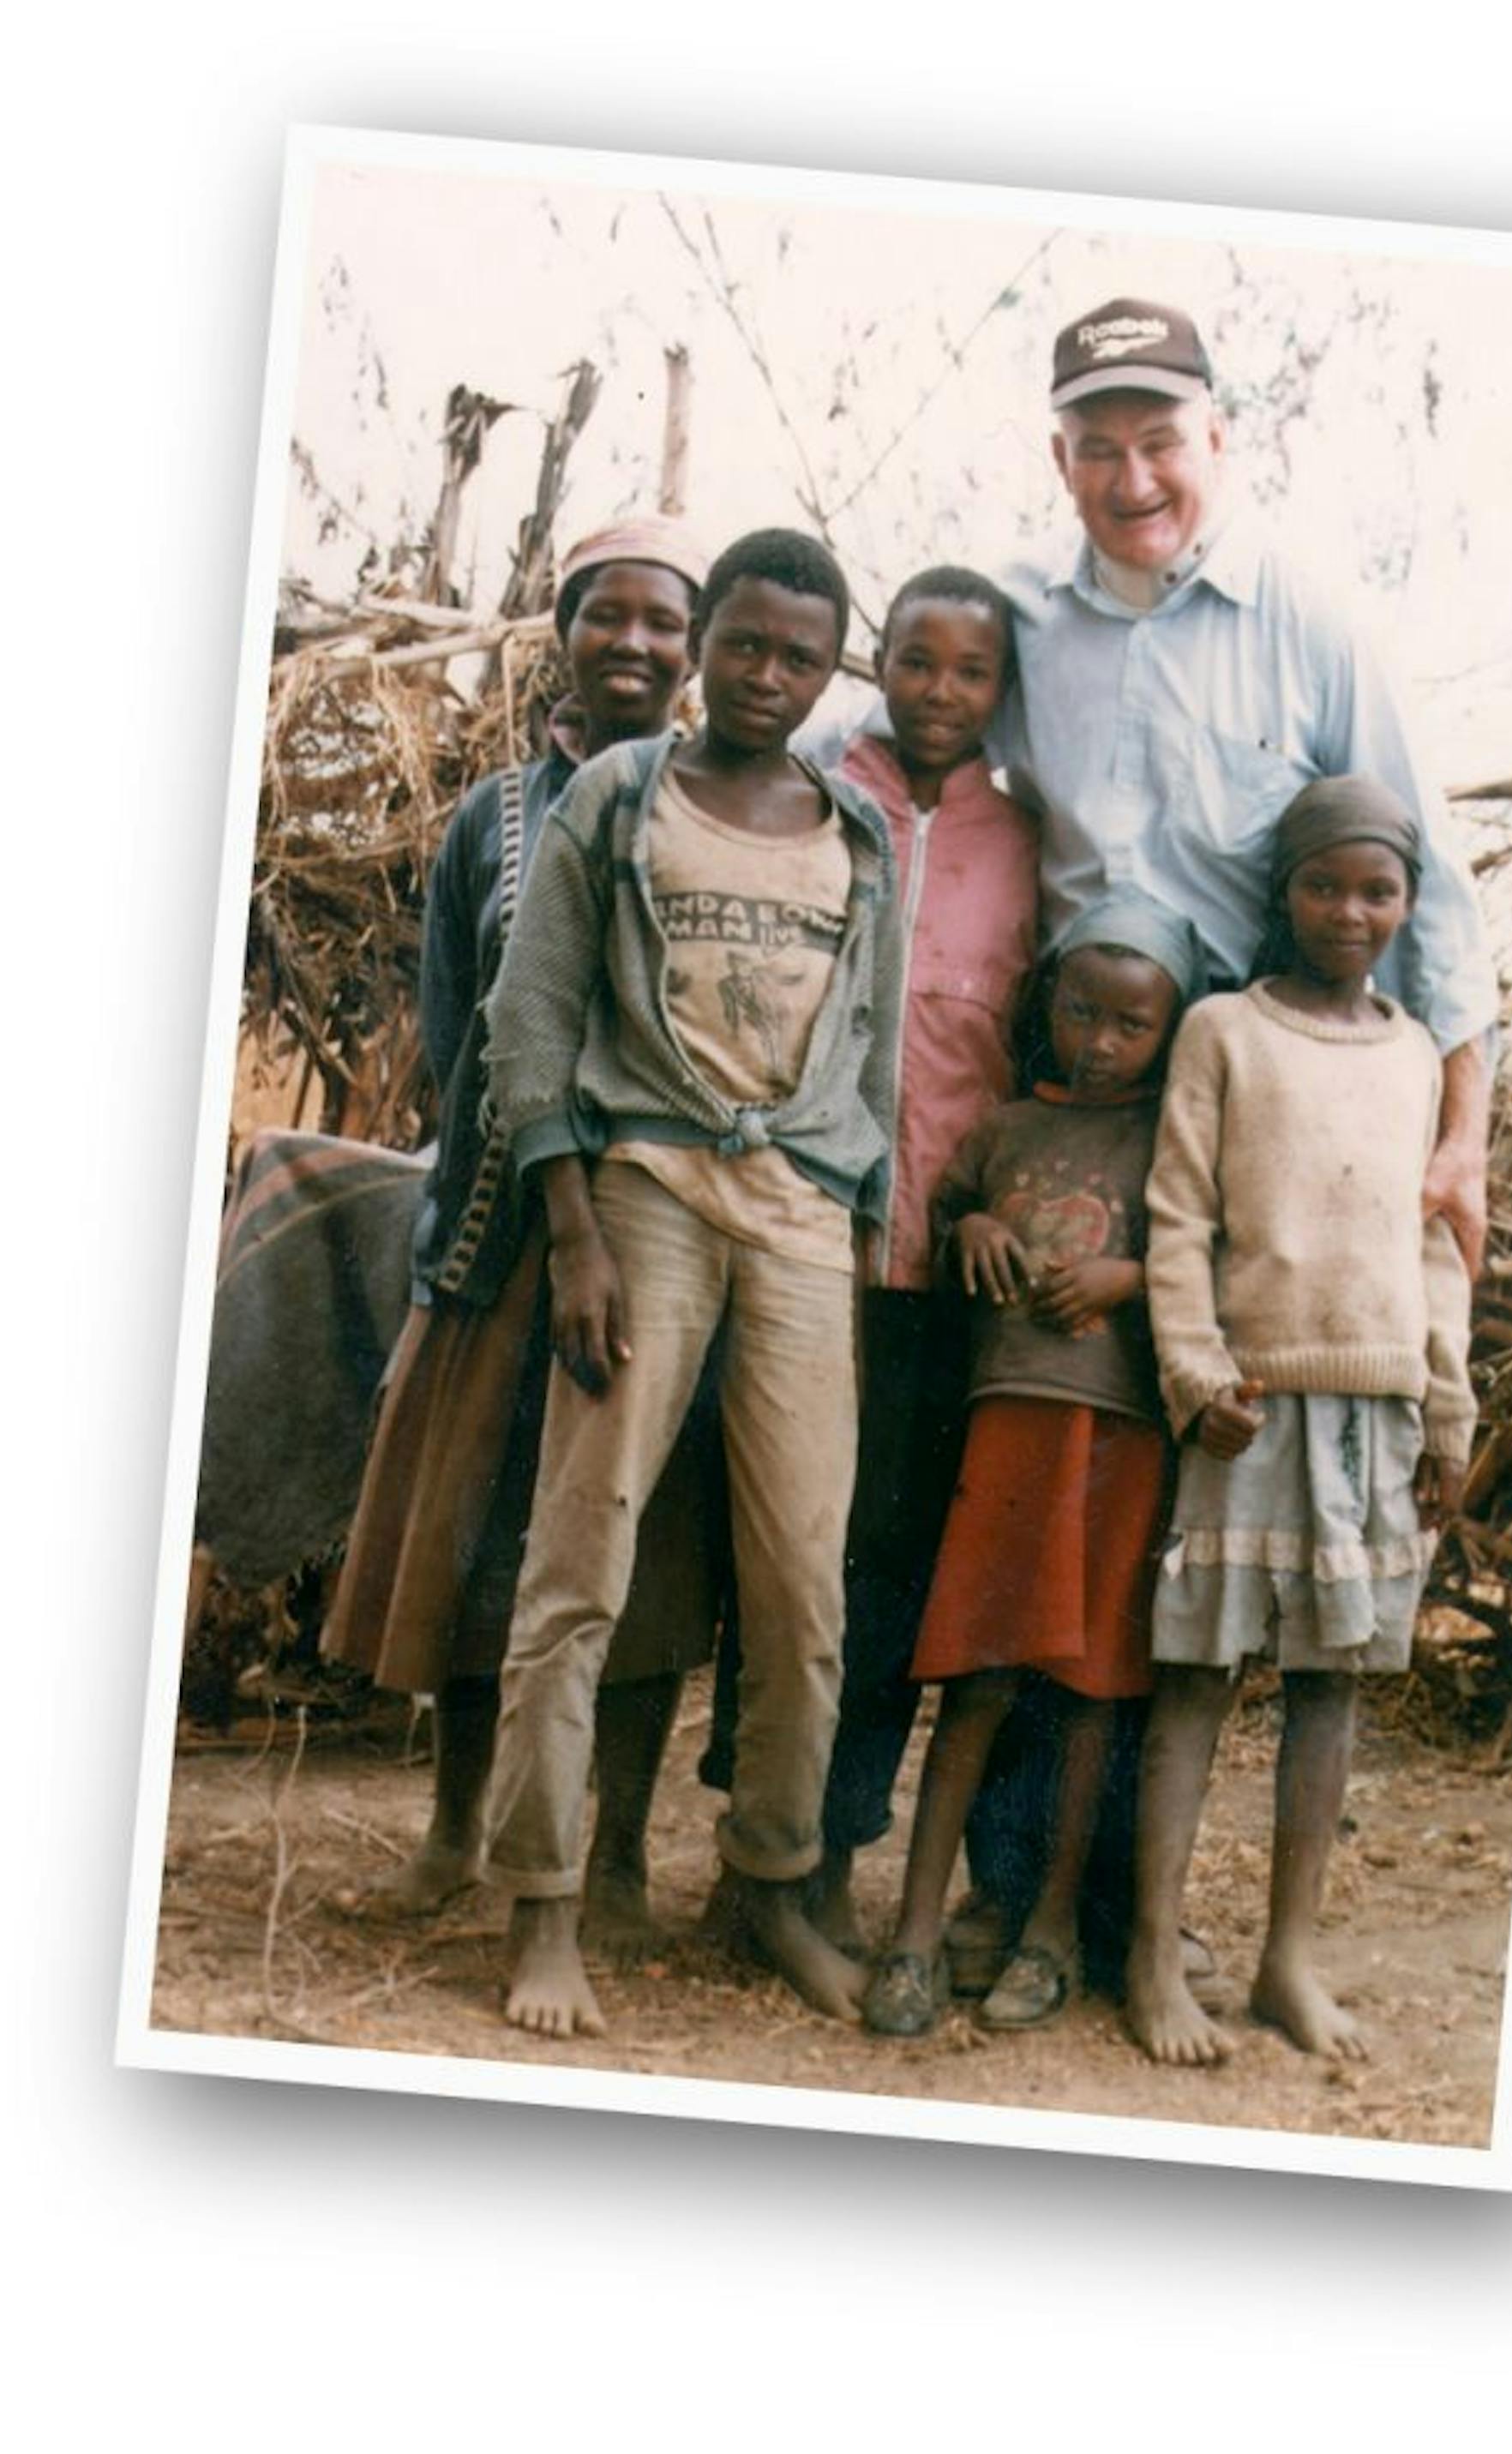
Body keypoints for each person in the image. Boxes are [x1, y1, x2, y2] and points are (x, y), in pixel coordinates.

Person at [478, 527, 900, 2035]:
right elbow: (528, 1024)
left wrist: (857, 1230)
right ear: (706, 638)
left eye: (802, 656)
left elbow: (874, 1062)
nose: (768, 677)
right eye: (746, 644)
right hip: (645, 1188)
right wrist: (574, 1225)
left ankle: (772, 1880)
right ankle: (540, 1902)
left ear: (829, 668)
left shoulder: (858, 835)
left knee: (801, 1571)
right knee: (579, 1553)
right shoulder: (619, 793)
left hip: (795, 1211)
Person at [321, 519, 725, 1945]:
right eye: (607, 616)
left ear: (700, 642)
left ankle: (612, 1856)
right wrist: (515, 1193)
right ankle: (454, 1830)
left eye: (665, 622)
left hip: (670, 1241)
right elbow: (452, 1026)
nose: (635, 645)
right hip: (505, 1232)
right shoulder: (491, 819)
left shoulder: (730, 813)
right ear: (564, 631)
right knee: (480, 1542)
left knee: (647, 1552)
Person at [992, 293, 1498, 1278]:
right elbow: (880, 742)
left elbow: (1426, 874)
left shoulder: (1309, 619)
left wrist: (1462, 1138)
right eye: (1097, 448)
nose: (1132, 479)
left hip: (1261, 1089)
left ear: (1217, 438)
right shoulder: (1017, 610)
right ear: (1060, 463)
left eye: (1161, 442)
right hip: (1069, 1086)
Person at [1130, 777, 1478, 2067]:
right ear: (1285, 892)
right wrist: (1195, 1371)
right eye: (1325, 884)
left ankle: (1289, 1956)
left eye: (1376, 889)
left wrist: (1447, 1410)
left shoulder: (1414, 1051)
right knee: (1198, 1676)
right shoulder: (1226, 1031)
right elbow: (1178, 1216)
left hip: (1376, 1408)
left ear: (1407, 901)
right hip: (1249, 1402)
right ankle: (1153, 1955)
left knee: (1331, 1688)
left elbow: (1435, 1244)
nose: (1351, 910)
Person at [862, 891, 1201, 2038]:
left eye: (1132, 1025)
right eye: (1082, 1012)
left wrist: (1133, 1279)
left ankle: (1052, 1930)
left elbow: (1219, 1253)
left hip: (1121, 1440)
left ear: (1170, 1030)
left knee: (1094, 1688)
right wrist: (972, 1232)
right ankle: (913, 1932)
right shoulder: (1002, 1128)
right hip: (1009, 1434)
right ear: (1045, 1001)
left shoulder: (1174, 1142)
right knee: (978, 1678)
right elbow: (953, 1208)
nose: (1101, 1042)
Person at [806, 567, 1039, 1953]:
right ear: (875, 658)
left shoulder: (1032, 838)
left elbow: (1057, 1037)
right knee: (790, 1562)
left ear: (1002, 690)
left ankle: (839, 1850)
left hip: (949, 1276)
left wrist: (996, 1202)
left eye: (972, 670)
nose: (941, 690)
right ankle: (758, 1853)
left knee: (895, 1565)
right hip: (806, 1248)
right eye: (917, 659)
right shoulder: (821, 789)